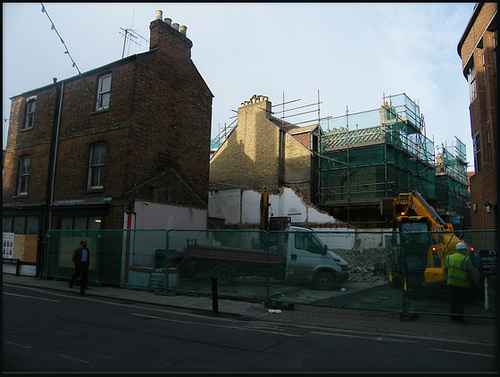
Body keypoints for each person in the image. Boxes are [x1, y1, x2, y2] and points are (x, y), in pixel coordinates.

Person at [444, 242, 478, 322]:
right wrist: (474, 282)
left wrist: (449, 277)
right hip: (462, 285)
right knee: (460, 302)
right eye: (465, 250)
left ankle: (452, 316)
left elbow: (445, 269)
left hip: (451, 284)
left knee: (452, 300)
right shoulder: (466, 259)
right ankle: (459, 317)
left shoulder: (449, 257)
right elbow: (471, 272)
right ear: (463, 250)